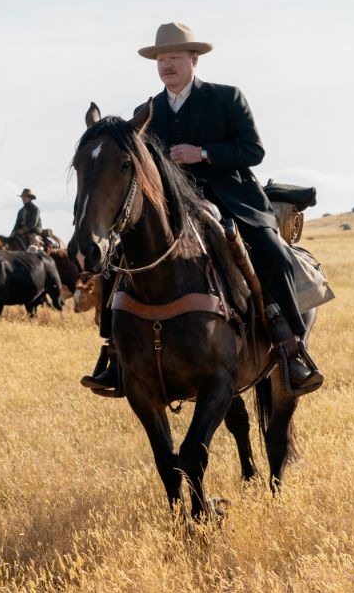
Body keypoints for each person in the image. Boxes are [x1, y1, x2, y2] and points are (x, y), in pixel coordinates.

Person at [81, 22, 323, 396]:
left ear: (194, 59)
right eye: (161, 59)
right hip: (172, 208)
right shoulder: (147, 112)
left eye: (174, 57)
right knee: (118, 261)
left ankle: (290, 346)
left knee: (271, 252)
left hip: (232, 199)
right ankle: (112, 355)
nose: (167, 66)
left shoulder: (227, 98)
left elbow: (253, 151)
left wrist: (204, 154)